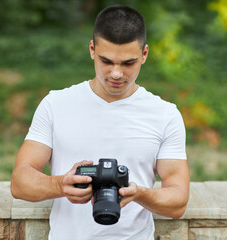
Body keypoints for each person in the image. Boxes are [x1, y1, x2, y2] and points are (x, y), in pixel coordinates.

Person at [10, 5, 190, 240]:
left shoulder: (165, 114)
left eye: (128, 63)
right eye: (107, 61)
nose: (116, 73)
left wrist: (139, 194)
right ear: (92, 49)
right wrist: (61, 185)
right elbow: (19, 182)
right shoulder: (56, 104)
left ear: (144, 54)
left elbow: (178, 202)